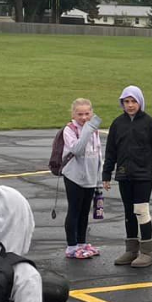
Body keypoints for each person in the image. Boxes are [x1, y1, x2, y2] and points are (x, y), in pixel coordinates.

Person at [102, 85, 152, 269]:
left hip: (143, 175)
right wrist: (107, 174)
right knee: (129, 212)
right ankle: (131, 249)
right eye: (126, 102)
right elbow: (111, 151)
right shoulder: (117, 124)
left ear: (140, 102)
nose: (130, 105)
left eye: (133, 101)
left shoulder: (149, 123)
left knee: (141, 210)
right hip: (124, 175)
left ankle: (146, 251)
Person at [59, 98, 103, 260]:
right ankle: (71, 246)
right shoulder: (69, 130)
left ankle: (82, 243)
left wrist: (99, 177)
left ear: (91, 112)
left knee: (85, 211)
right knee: (74, 210)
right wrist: (87, 129)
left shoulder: (94, 130)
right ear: (73, 114)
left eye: (87, 113)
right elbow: (77, 149)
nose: (84, 117)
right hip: (74, 176)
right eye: (80, 114)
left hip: (90, 176)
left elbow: (98, 153)